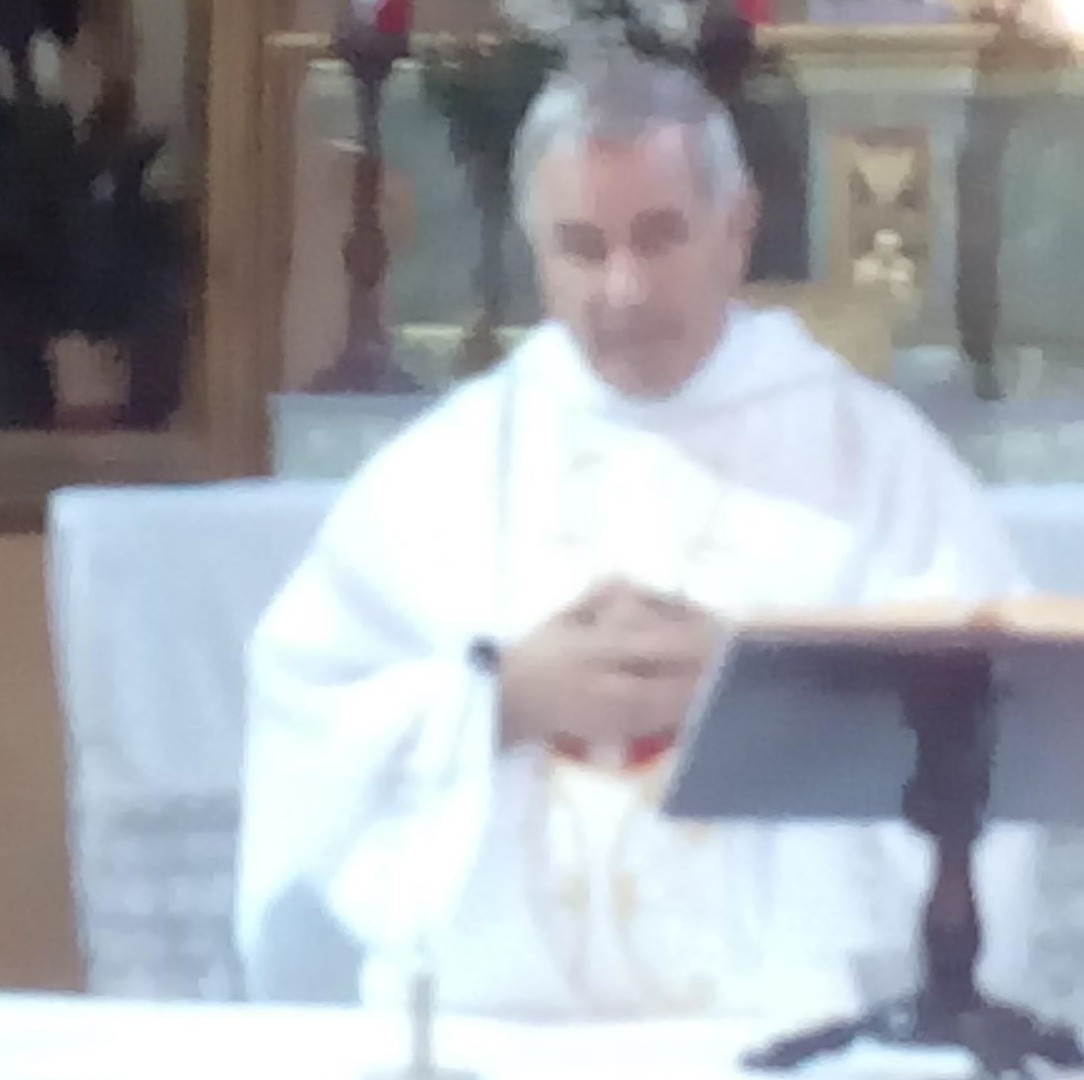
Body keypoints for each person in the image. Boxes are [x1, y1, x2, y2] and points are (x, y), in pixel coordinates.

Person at [238, 55, 1034, 1019]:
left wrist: (758, 696)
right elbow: (312, 705)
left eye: (659, 239)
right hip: (500, 1037)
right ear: (535, 253)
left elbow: (988, 719)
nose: (622, 289)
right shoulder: (450, 466)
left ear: (736, 228)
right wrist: (500, 700)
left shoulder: (870, 459)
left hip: (782, 1044)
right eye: (581, 248)